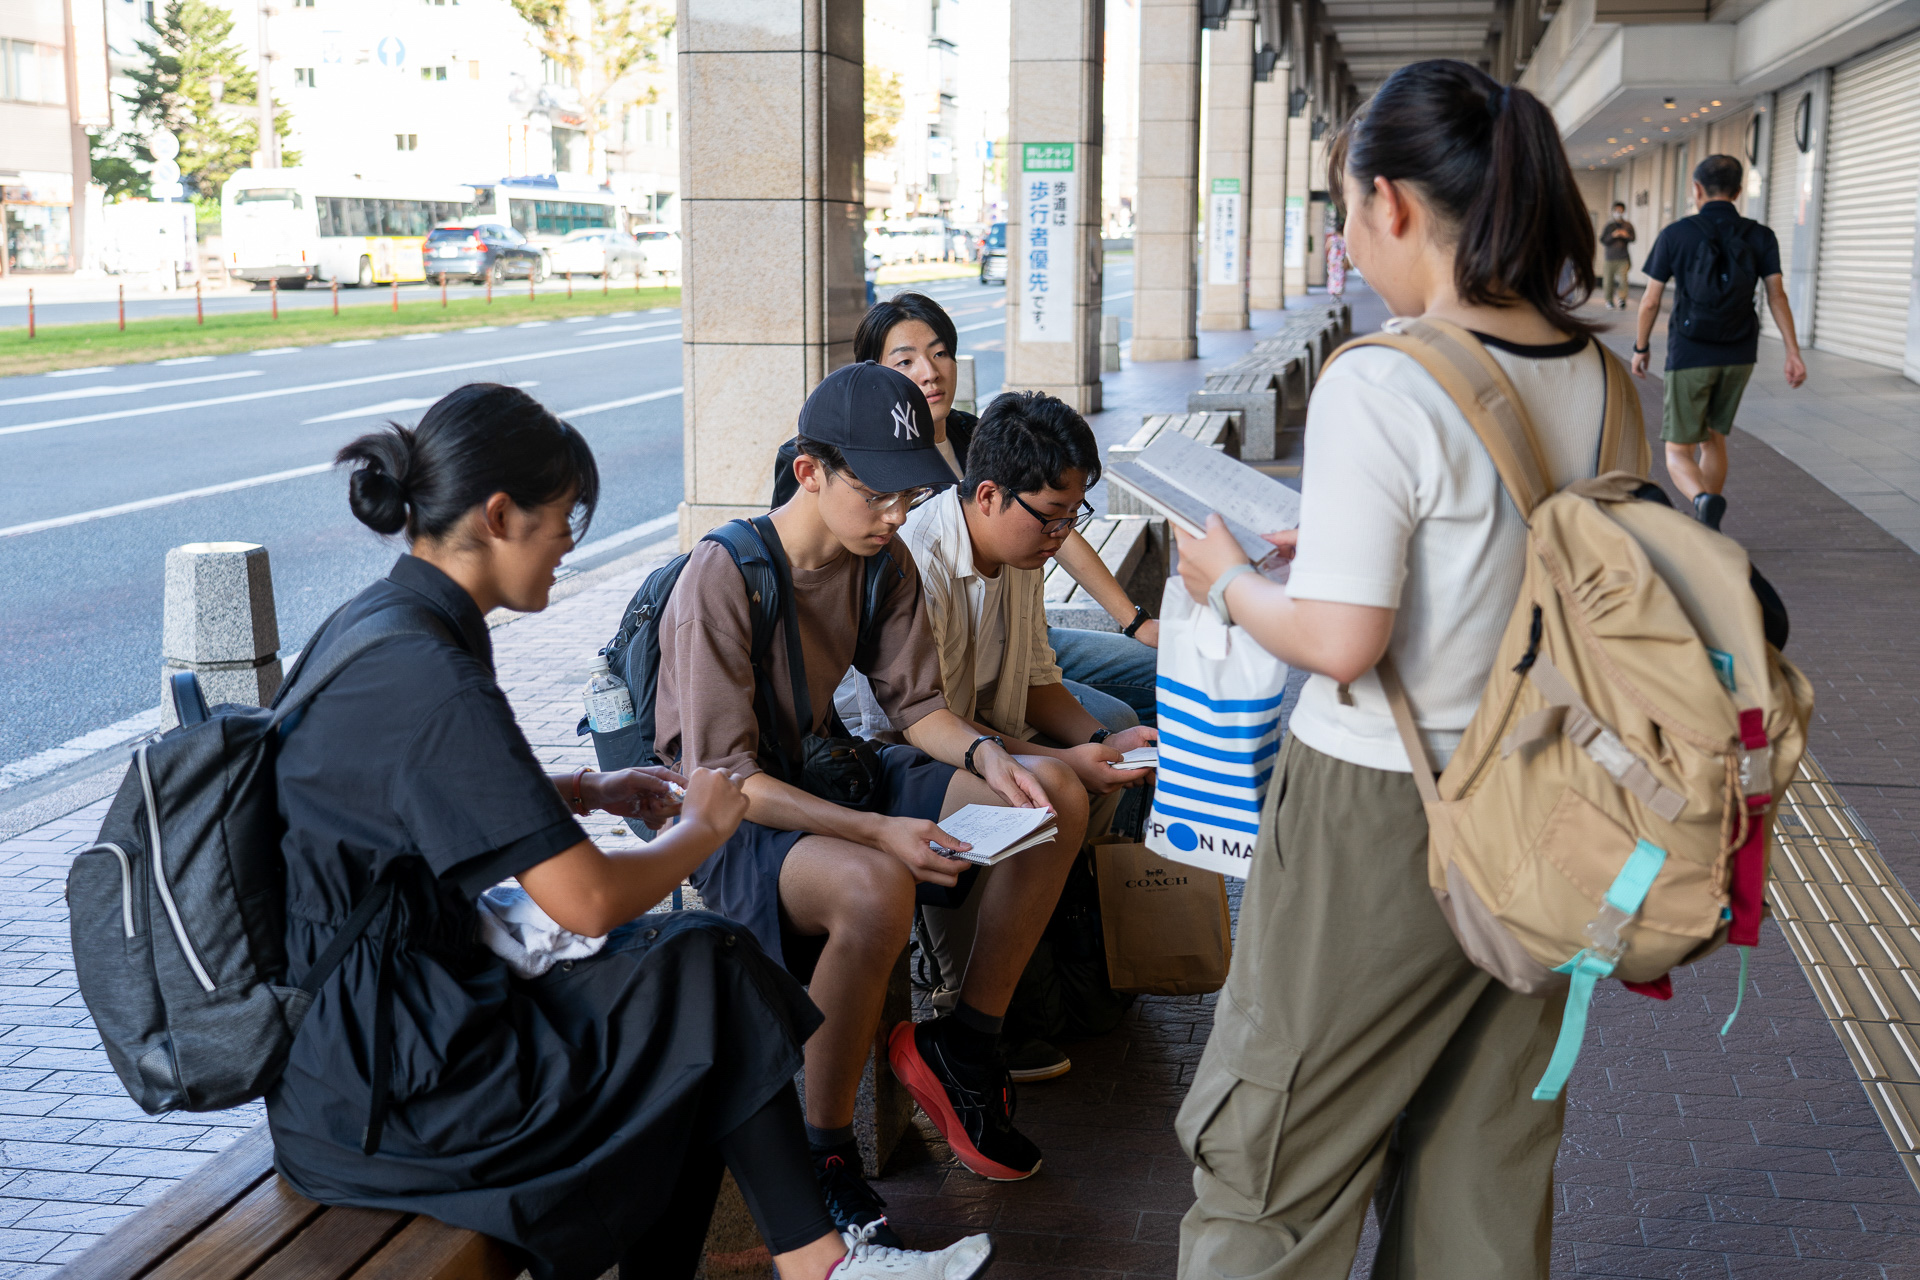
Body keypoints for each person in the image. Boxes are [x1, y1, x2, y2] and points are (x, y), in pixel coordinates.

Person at [272, 383, 992, 1280]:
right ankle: (824, 1265)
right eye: (564, 519)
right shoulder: (430, 664)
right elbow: (590, 901)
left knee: (703, 982)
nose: (571, 545)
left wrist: (582, 786)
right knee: (706, 978)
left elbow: (410, 781)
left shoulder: (387, 622)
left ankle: (820, 1263)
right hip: (397, 1081)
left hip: (381, 1038)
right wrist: (699, 826)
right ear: (498, 516)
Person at [1172, 62, 1629, 1277]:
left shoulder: (1384, 375)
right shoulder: (1602, 375)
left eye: (1342, 211)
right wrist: (1310, 551)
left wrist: (1227, 579)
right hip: (1550, 806)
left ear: (1392, 204)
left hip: (1384, 811)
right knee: (1482, 1175)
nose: (1346, 239)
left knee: (1274, 1158)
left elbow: (1342, 640)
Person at [656, 361, 1090, 1241]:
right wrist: (880, 830)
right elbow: (729, 780)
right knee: (873, 886)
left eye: (909, 496)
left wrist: (988, 757)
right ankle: (823, 1155)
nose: (896, 515)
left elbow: (919, 708)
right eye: (877, 494)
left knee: (1055, 798)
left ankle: (963, 1044)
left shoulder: (879, 560)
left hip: (825, 773)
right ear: (810, 471)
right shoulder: (723, 574)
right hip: (732, 812)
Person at [898, 388, 1160, 1082]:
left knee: (1113, 752)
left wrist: (1101, 738)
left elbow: (1040, 678)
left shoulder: (1019, 554)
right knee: (1055, 784)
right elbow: (937, 721)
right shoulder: (923, 562)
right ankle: (967, 998)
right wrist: (1067, 759)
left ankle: (1057, 956)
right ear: (988, 496)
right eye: (1050, 519)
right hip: (913, 753)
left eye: (1072, 519)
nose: (1059, 538)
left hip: (977, 738)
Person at [806, 292, 1163, 728]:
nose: (930, 372)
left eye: (941, 354)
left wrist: (1135, 621)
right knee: (1112, 721)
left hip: (1009, 627)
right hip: (917, 651)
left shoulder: (974, 434)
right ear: (872, 375)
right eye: (905, 362)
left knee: (1147, 679)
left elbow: (1051, 525)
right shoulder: (839, 465)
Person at [1632, 153, 1806, 531]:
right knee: (1713, 439)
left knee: (1678, 450)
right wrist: (1793, 352)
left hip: (1691, 352)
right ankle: (1706, 525)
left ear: (1696, 189)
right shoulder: (1761, 235)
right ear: (1739, 191)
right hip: (1740, 352)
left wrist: (1641, 347)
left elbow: (1649, 301)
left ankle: (1702, 499)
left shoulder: (1675, 234)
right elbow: (1777, 295)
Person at [1600, 201, 1635, 309]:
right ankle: (1609, 300)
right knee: (1608, 281)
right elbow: (1603, 240)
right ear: (1613, 211)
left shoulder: (1628, 225)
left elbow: (1633, 238)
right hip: (1609, 258)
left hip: (1623, 257)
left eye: (1621, 210)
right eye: (1617, 210)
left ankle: (1622, 299)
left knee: (1623, 280)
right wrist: (1613, 235)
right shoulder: (1609, 226)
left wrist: (1626, 235)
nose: (1618, 212)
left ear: (1624, 211)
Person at [1324, 224, 1349, 299]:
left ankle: (1332, 291)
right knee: (1339, 276)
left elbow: (1326, 247)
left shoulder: (1332, 239)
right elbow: (1347, 250)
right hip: (1340, 260)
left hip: (1332, 260)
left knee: (1332, 276)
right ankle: (1339, 292)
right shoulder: (1344, 239)